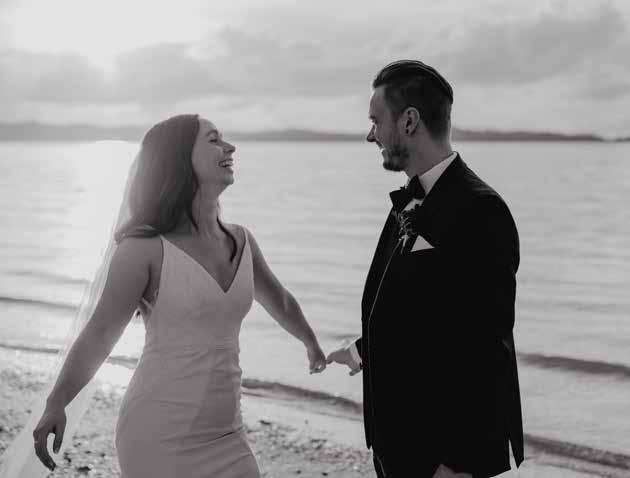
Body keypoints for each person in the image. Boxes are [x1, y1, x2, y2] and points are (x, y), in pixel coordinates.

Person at [30, 114, 328, 477]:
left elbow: (279, 301)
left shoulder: (242, 241)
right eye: (214, 140)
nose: (230, 147)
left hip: (228, 435)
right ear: (179, 158)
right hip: (158, 434)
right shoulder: (143, 250)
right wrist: (57, 402)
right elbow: (100, 334)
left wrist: (311, 343)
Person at [326, 60, 524, 477]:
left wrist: (457, 463)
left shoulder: (481, 209)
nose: (371, 135)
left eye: (376, 121)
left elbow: (485, 348)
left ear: (409, 121)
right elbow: (426, 319)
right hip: (397, 445)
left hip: (441, 458)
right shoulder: (408, 202)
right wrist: (361, 350)